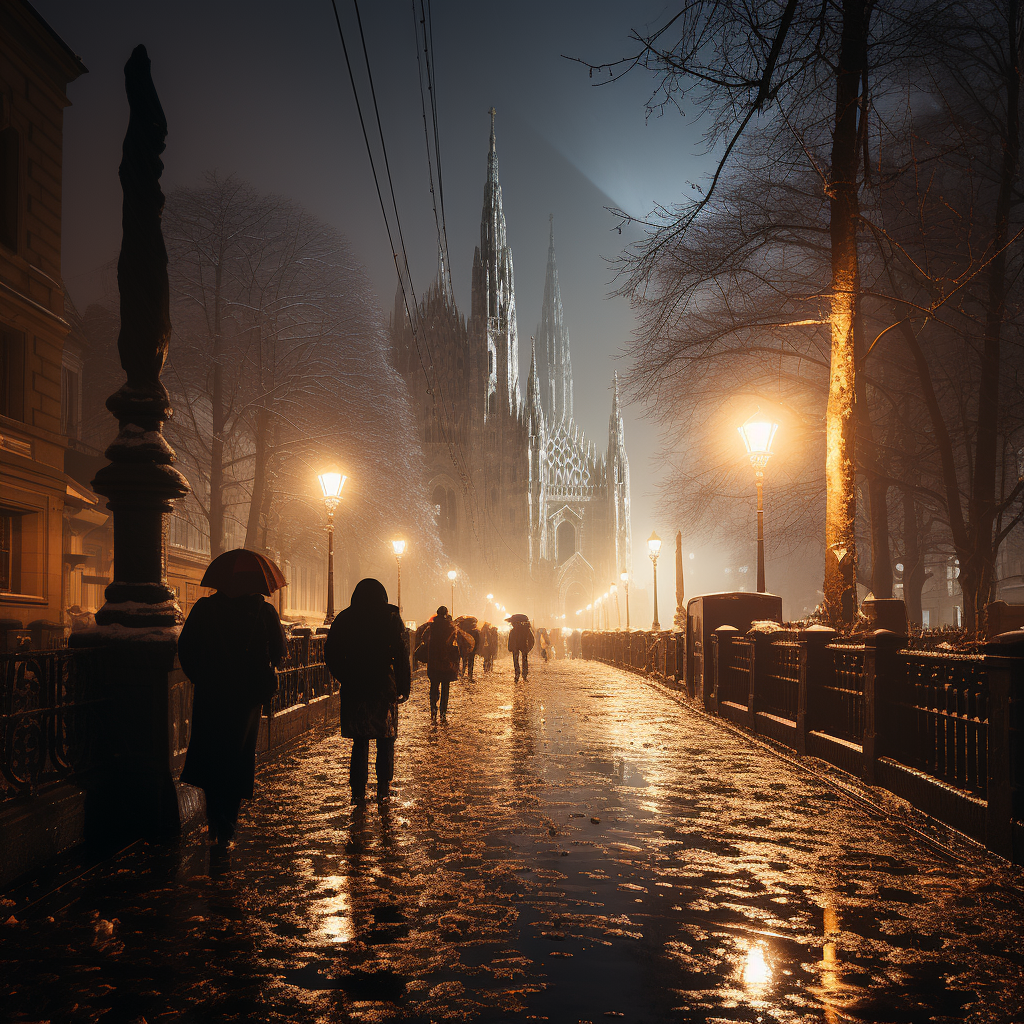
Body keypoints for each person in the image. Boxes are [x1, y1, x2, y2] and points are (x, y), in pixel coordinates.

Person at [179, 583, 287, 850]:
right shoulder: (264, 611)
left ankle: (215, 819)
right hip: (247, 697)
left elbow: (186, 647)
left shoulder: (205, 608)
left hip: (211, 694)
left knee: (211, 754)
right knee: (238, 757)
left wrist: (202, 677)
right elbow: (280, 652)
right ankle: (228, 823)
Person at [325, 578, 411, 806]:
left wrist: (345, 676)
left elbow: (331, 653)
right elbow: (402, 655)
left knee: (359, 740)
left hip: (355, 686)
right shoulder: (391, 618)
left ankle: (357, 791)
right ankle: (383, 787)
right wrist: (403, 686)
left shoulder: (345, 618)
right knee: (386, 739)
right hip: (383, 685)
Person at [422, 605, 461, 722]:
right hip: (446, 662)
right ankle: (443, 713)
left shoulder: (431, 627)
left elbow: (424, 638)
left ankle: (433, 708)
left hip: (433, 661)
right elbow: (455, 641)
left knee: (433, 686)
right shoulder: (450, 627)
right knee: (445, 688)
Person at [507, 615, 535, 682]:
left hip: (516, 647)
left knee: (516, 660)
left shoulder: (513, 631)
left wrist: (510, 648)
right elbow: (532, 640)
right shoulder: (526, 630)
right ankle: (524, 675)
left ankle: (517, 675)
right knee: (524, 660)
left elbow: (510, 640)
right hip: (523, 646)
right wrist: (529, 648)